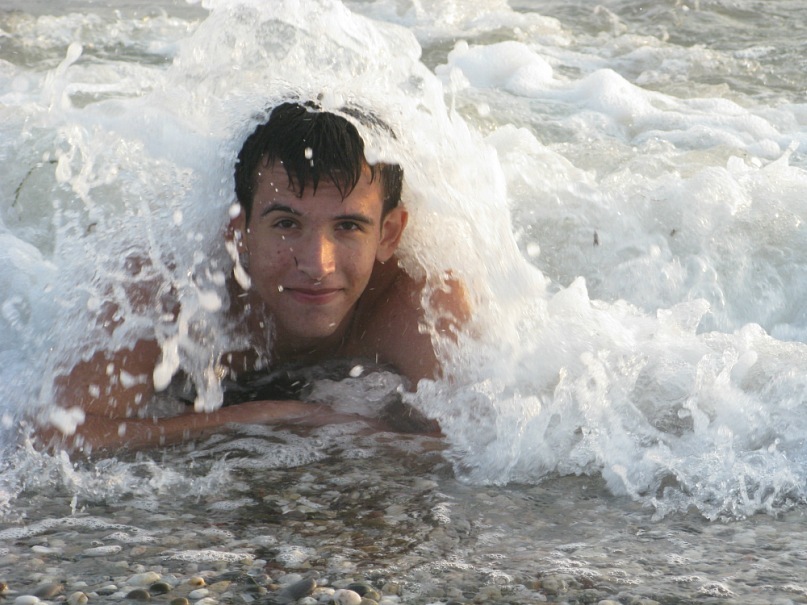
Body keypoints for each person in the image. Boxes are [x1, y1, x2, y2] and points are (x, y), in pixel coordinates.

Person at [38, 101, 468, 453]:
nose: (317, 264)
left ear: (388, 234)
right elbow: (53, 437)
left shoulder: (423, 304)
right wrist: (267, 417)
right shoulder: (166, 287)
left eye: (348, 227)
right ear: (239, 232)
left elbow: (476, 449)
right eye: (286, 224)